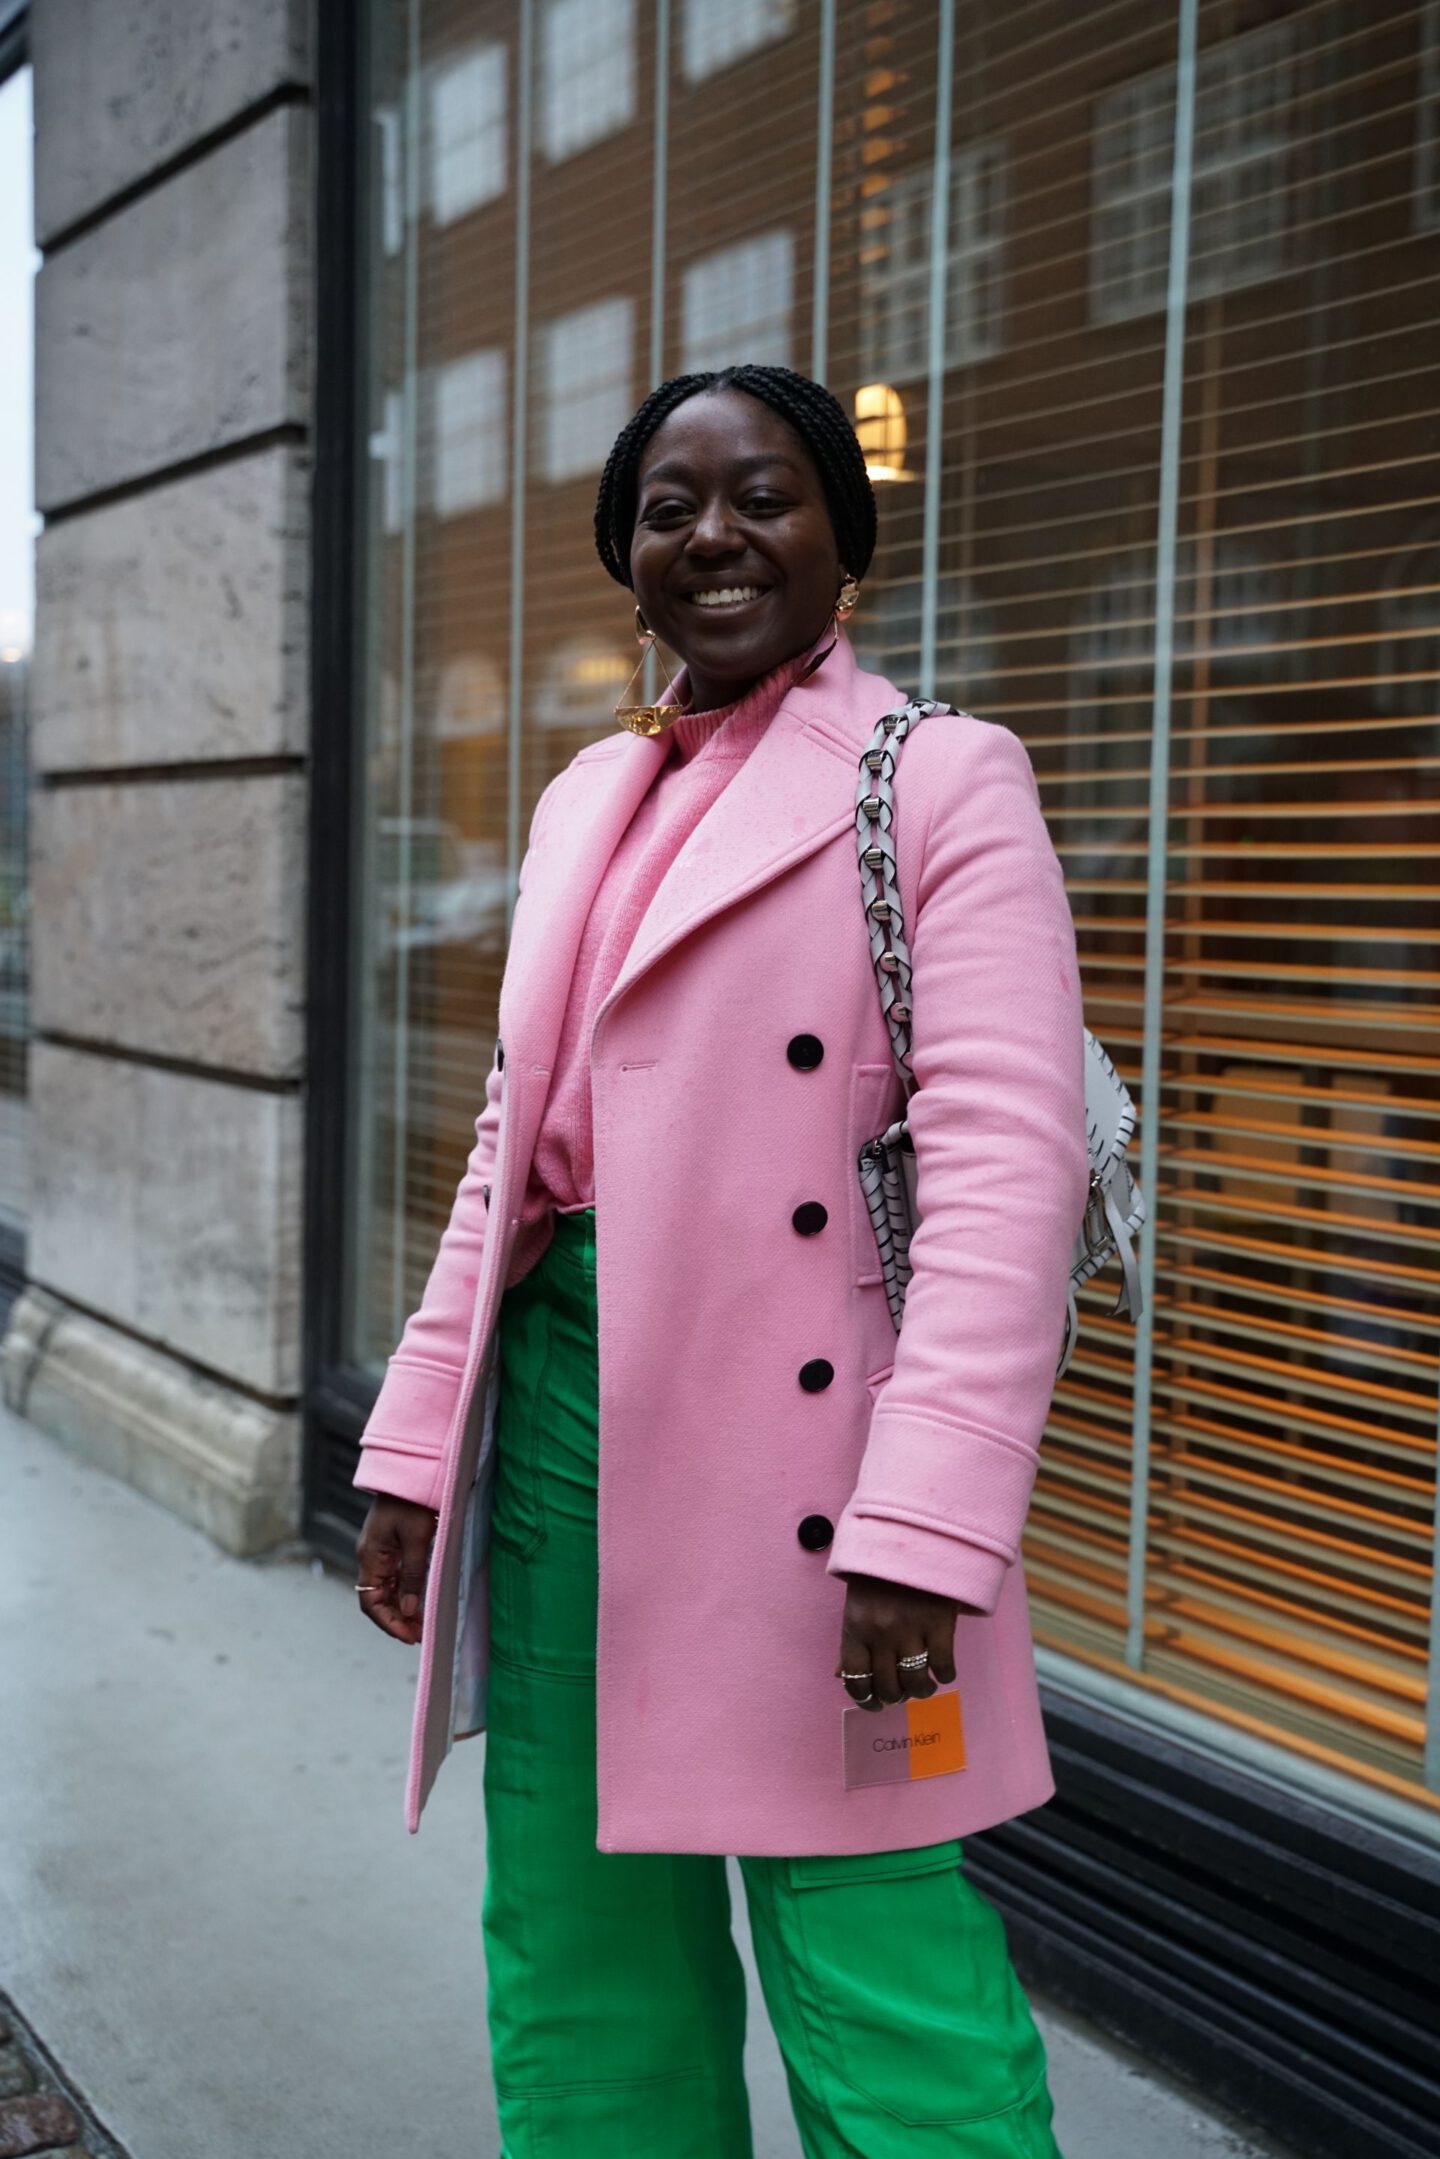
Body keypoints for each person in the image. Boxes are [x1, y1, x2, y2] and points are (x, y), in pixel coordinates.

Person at [353, 363, 1088, 2158]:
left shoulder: (943, 779)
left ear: (846, 530)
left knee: (880, 1973)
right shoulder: (587, 796)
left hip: (820, 1460)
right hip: (553, 1425)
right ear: (630, 559)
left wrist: (932, 1529)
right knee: (582, 1948)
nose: (715, 537)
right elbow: (506, 1155)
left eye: (763, 495)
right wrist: (412, 1447)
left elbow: (1008, 1178)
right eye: (669, 509)